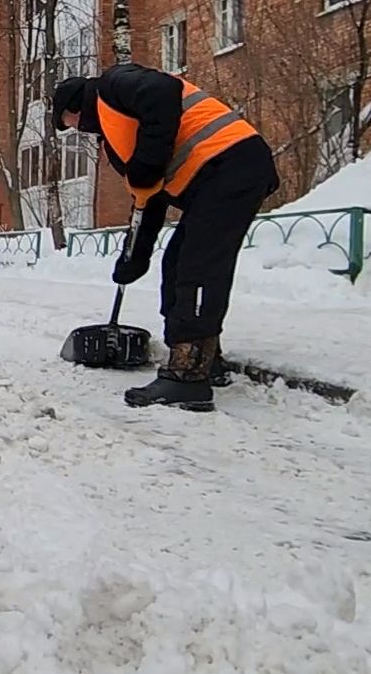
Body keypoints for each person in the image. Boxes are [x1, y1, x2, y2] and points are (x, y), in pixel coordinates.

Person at [52, 63, 278, 412]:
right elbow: (148, 198)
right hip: (216, 176)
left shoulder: (114, 86)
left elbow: (162, 91)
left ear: (73, 109)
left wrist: (146, 164)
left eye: (67, 124)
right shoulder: (121, 130)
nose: (75, 131)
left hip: (232, 163)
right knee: (177, 264)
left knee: (197, 267)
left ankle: (188, 377)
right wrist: (134, 256)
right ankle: (203, 358)